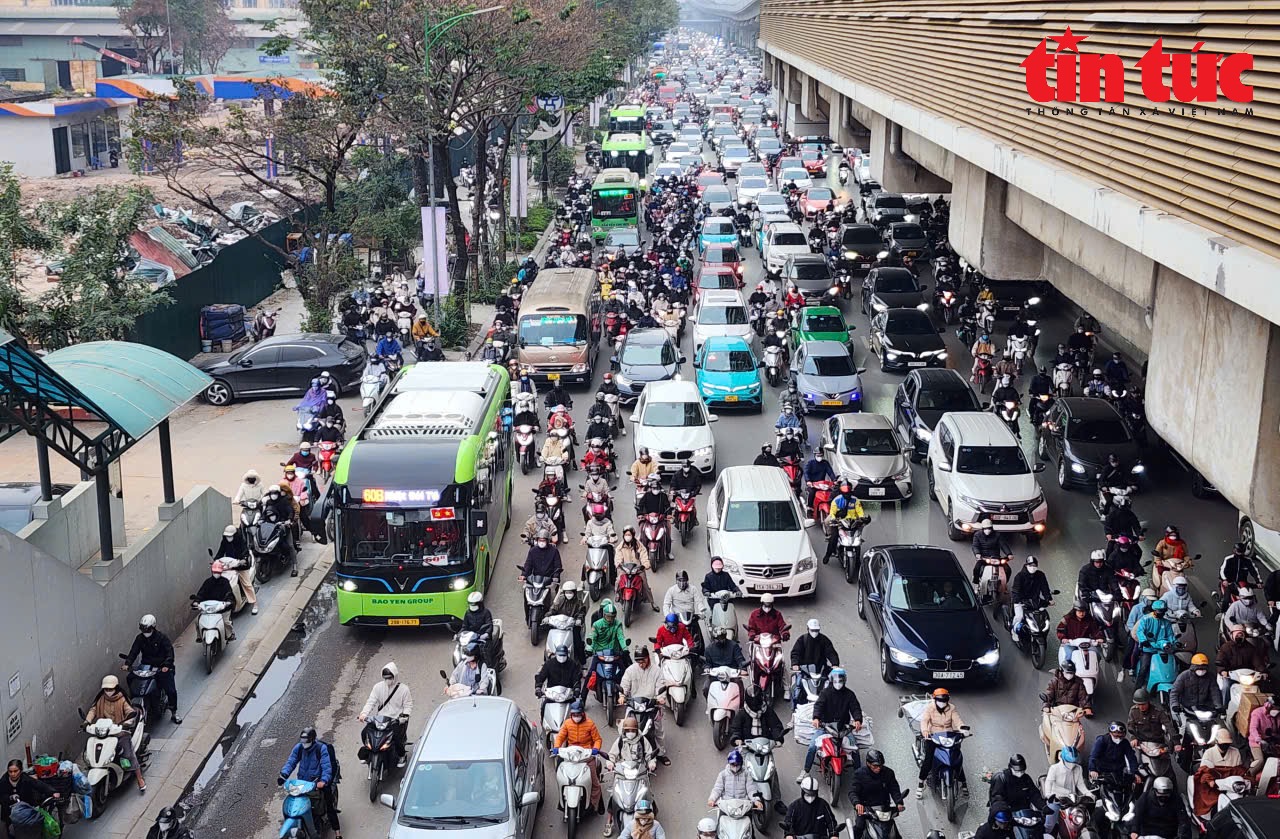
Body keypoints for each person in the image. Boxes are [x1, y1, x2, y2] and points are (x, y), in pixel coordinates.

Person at [801, 668, 864, 780]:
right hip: (825, 726)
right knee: (812, 747)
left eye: (840, 680)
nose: (838, 683)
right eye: (835, 680)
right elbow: (818, 706)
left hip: (843, 727)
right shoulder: (825, 693)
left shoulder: (849, 694)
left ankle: (859, 775)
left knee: (855, 749)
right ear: (831, 680)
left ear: (844, 680)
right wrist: (816, 718)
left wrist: (858, 719)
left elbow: (855, 708)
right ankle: (805, 771)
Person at [85, 675, 145, 792]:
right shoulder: (101, 699)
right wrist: (86, 721)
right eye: (106, 689)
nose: (108, 692)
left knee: (128, 754)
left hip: (120, 732)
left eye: (110, 689)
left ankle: (139, 779)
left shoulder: (122, 699)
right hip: (103, 732)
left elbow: (130, 712)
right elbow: (93, 710)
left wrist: (126, 723)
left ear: (116, 688)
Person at [279, 728, 341, 839]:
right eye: (302, 741)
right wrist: (283, 774)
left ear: (312, 739)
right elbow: (291, 761)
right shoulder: (299, 748)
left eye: (306, 742)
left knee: (328, 805)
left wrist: (323, 781)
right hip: (302, 784)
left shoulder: (321, 749)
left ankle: (337, 832)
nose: (304, 744)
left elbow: (326, 767)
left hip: (317, 784)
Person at [121, 614, 182, 723]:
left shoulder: (162, 638)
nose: (145, 631)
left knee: (170, 690)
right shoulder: (139, 638)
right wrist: (128, 663)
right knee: (131, 678)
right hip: (146, 667)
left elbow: (170, 652)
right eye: (142, 628)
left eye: (147, 629)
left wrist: (166, 665)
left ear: (153, 627)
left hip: (162, 667)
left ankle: (174, 712)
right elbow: (133, 651)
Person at [618, 647, 670, 764]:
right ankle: (622, 752)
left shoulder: (657, 671)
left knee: (658, 730)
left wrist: (660, 699)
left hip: (652, 705)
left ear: (648, 658)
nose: (641, 664)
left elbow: (661, 687)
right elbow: (625, 684)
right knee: (624, 728)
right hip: (634, 705)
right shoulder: (631, 670)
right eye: (638, 662)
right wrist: (622, 695)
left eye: (643, 661)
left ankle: (661, 753)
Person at [552, 701, 604, 814]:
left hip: (586, 755)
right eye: (574, 715)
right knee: (560, 775)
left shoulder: (590, 724)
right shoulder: (567, 724)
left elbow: (597, 739)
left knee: (595, 783)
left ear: (582, 714)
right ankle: (562, 800)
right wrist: (556, 747)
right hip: (571, 755)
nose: (576, 717)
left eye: (578, 715)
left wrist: (595, 749)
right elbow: (560, 737)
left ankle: (593, 805)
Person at [358, 662, 413, 767]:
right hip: (380, 719)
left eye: (390, 678)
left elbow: (408, 705)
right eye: (385, 678)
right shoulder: (377, 687)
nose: (388, 680)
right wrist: (364, 714)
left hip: (395, 720)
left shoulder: (404, 689)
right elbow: (371, 702)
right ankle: (367, 753)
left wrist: (404, 716)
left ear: (395, 676)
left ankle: (401, 756)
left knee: (396, 737)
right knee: (364, 733)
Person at [916, 688, 967, 798]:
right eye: (939, 700)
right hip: (933, 736)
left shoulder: (952, 708)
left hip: (949, 735)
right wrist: (925, 731)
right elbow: (924, 720)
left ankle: (963, 782)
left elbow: (958, 721)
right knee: (928, 760)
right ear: (935, 699)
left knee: (956, 758)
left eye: (944, 700)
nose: (942, 702)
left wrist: (963, 730)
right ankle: (921, 783)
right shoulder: (930, 708)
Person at [848, 750, 905, 835]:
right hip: (866, 809)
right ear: (868, 763)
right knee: (859, 828)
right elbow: (853, 792)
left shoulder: (888, 773)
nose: (878, 768)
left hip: (884, 809)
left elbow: (894, 789)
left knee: (895, 834)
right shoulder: (859, 774)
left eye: (880, 765)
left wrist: (899, 802)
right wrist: (857, 804)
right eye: (875, 766)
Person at [2, 759, 58, 838]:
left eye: (15, 771)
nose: (13, 774)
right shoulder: (4, 781)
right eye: (10, 772)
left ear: (20, 771)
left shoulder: (25, 779)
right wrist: (10, 797)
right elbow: (1, 796)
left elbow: (38, 785)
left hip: (26, 811)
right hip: (9, 813)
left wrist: (53, 792)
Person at [215, 525, 258, 615]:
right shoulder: (224, 542)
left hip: (241, 566)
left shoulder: (241, 542)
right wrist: (216, 560)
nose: (228, 538)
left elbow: (245, 553)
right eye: (227, 536)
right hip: (229, 566)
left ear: (235, 535)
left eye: (230, 536)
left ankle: (254, 604)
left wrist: (242, 560)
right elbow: (220, 552)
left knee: (247, 584)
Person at [823, 480, 866, 564]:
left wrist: (862, 518)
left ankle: (857, 560)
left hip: (852, 522)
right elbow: (832, 513)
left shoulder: (856, 500)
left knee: (857, 539)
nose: (847, 495)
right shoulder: (836, 500)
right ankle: (827, 555)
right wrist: (834, 519)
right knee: (833, 538)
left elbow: (860, 511)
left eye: (848, 493)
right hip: (840, 522)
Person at [1133, 599, 1176, 683]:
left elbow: (1170, 635)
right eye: (1160, 611)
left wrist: (1174, 642)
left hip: (1162, 649)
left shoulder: (1166, 622)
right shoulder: (1146, 619)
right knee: (1144, 668)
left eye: (1163, 611)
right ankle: (1137, 688)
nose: (1162, 613)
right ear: (1154, 610)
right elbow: (1140, 631)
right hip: (1148, 649)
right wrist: (1144, 640)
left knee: (1174, 665)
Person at [616, 527, 659, 612]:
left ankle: (652, 602)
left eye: (629, 535)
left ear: (633, 535)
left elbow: (644, 555)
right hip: (625, 569)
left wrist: (645, 565)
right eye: (626, 535)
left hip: (637, 569)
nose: (627, 536)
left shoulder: (639, 545)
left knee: (645, 583)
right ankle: (618, 596)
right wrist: (619, 564)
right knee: (618, 581)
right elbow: (618, 558)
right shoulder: (620, 547)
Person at [1088, 722, 1140, 787]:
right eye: (1115, 735)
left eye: (1120, 735)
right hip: (1102, 771)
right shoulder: (1102, 740)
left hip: (1117, 772)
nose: (1118, 737)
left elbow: (1131, 757)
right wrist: (1092, 769)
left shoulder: (1125, 742)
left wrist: (1135, 773)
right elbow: (1093, 756)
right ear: (1110, 733)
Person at [1009, 555, 1051, 636]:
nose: (1033, 567)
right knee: (1019, 617)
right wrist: (1018, 600)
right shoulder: (1019, 576)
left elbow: (1045, 588)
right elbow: (1015, 591)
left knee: (1043, 616)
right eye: (1030, 565)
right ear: (1026, 565)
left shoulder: (1040, 575)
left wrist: (1048, 598)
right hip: (1021, 602)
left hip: (1035, 601)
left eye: (1034, 565)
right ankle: (1014, 631)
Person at [547, 580, 588, 661]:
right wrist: (547, 616)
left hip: (572, 626)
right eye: (567, 592)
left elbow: (581, 612)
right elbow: (553, 609)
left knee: (578, 643)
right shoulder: (560, 600)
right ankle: (546, 662)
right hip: (559, 626)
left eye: (570, 592)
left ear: (574, 592)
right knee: (550, 643)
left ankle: (583, 664)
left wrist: (579, 619)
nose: (568, 594)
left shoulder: (578, 602)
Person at [195, 562, 236, 640]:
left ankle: (230, 635)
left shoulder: (225, 582)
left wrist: (228, 602)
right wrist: (197, 601)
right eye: (215, 572)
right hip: (208, 609)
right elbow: (201, 593)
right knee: (197, 621)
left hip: (222, 609)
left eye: (218, 572)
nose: (216, 574)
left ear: (221, 572)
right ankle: (199, 636)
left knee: (226, 622)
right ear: (212, 571)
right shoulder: (207, 582)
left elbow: (229, 593)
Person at [662, 570, 708, 638]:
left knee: (698, 639)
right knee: (668, 636)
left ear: (687, 581)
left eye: (684, 580)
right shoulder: (671, 590)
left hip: (691, 617)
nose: (682, 583)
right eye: (679, 581)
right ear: (676, 581)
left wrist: (702, 611)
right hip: (677, 618)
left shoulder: (693, 589)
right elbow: (666, 604)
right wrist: (668, 616)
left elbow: (699, 601)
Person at [1056, 601, 1104, 666]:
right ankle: (1065, 674)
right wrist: (1063, 638)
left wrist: (1099, 638)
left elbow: (1095, 631)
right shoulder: (1067, 619)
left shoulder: (1090, 620)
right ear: (1075, 611)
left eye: (1083, 612)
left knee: (1097, 655)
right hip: (1071, 643)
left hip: (1086, 644)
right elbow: (1059, 630)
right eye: (1079, 612)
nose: (1081, 614)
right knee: (1069, 657)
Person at [1247, 696, 1280, 772]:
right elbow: (1253, 728)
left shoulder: (1277, 716)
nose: (1276, 711)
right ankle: (1249, 775)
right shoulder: (1257, 713)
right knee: (1260, 761)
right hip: (1256, 741)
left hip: (1271, 741)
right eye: (1275, 708)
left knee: (1276, 761)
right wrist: (1259, 740)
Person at [801, 448, 836, 514]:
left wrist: (834, 480)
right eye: (818, 455)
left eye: (821, 455)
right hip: (812, 484)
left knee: (832, 493)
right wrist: (808, 481)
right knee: (812, 492)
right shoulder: (810, 463)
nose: (819, 457)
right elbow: (806, 472)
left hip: (822, 485)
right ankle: (810, 507)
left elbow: (830, 472)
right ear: (815, 455)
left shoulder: (825, 463)